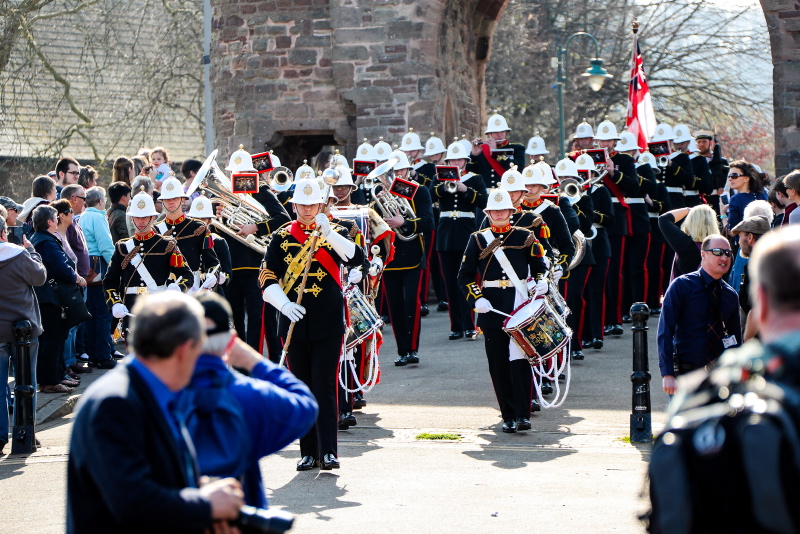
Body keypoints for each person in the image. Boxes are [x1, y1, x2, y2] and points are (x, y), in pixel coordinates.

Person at [66, 292, 245, 533]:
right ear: (184, 350)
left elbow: (155, 474)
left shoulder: (152, 391)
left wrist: (200, 491)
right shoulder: (115, 404)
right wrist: (205, 505)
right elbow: (131, 500)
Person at [260, 178, 364, 471]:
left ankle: (329, 450)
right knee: (301, 387)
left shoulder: (339, 231)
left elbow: (356, 258)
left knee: (325, 387)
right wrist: (283, 304)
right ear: (294, 206)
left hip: (328, 321)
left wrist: (329, 233)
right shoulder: (281, 236)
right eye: (302, 205)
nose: (307, 210)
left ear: (322, 204)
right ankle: (308, 452)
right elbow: (267, 276)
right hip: (293, 323)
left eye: (312, 204)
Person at [184, 292, 318, 506]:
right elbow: (305, 405)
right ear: (229, 342)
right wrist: (253, 360)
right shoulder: (249, 395)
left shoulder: (152, 395)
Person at [458, 188, 548, 433]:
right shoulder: (477, 239)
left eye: (503, 209)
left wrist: (542, 280)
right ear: (488, 213)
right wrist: (476, 299)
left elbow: (539, 266)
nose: (499, 214)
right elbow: (464, 276)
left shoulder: (526, 236)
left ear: (511, 211)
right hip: (491, 306)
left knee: (520, 361)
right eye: (494, 210)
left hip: (519, 305)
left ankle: (523, 414)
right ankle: (508, 415)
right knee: (498, 364)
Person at [103, 189, 193, 341]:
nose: (141, 221)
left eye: (145, 217)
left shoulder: (167, 245)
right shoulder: (122, 247)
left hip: (160, 311)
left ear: (153, 218)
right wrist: (115, 303)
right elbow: (110, 282)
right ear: (131, 219)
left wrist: (177, 288)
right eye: (137, 217)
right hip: (132, 312)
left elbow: (186, 275)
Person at [658, 234, 741, 395]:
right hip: (686, 375)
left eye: (728, 253)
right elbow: (665, 331)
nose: (724, 257)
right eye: (717, 252)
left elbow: (735, 340)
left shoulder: (730, 295)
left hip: (719, 379)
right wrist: (667, 373)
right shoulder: (682, 286)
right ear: (703, 254)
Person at [375, 151, 434, 366]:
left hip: (412, 254)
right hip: (390, 255)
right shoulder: (381, 193)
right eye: (394, 171)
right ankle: (402, 351)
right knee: (395, 305)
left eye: (401, 170)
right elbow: (376, 226)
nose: (398, 174)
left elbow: (428, 222)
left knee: (411, 303)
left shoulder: (420, 191)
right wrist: (377, 207)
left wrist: (405, 222)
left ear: (409, 170)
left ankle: (412, 349)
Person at [0, 214, 46, 453]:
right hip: (24, 329)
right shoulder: (18, 255)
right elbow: (39, 277)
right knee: (26, 382)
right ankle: (25, 433)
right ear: (4, 233)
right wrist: (32, 251)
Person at [432, 139, 487, 340]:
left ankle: (470, 324)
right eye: (452, 159)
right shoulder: (439, 178)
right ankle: (456, 325)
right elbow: (429, 195)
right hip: (446, 234)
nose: (455, 162)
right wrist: (444, 187)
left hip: (466, 232)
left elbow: (483, 201)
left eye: (459, 159)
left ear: (465, 161)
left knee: (468, 280)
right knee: (450, 283)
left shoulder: (475, 178)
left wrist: (465, 189)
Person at [30, 205, 87, 393]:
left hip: (51, 296)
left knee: (58, 337)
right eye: (55, 217)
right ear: (49, 221)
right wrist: (77, 278)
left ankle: (58, 374)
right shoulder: (45, 241)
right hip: (50, 297)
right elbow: (61, 266)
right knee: (53, 339)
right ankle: (50, 381)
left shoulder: (43, 239)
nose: (57, 220)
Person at [156, 177, 219, 292]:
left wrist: (212, 275)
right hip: (163, 290)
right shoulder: (155, 230)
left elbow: (212, 262)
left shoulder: (198, 227)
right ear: (162, 202)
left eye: (175, 198)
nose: (171, 202)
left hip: (192, 288)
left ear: (183, 200)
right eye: (167, 199)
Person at [79, 187, 117, 368]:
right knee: (103, 313)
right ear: (101, 201)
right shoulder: (98, 217)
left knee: (93, 313)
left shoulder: (83, 215)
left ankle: (94, 354)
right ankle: (103, 355)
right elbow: (106, 245)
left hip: (86, 268)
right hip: (100, 266)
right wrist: (116, 267)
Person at [730, 215, 771, 341]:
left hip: (763, 341)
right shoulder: (775, 261)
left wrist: (746, 344)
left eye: (740, 236)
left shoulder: (758, 265)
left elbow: (755, 310)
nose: (739, 241)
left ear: (750, 237)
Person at [658, 204, 718, 281]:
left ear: (690, 222)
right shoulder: (720, 246)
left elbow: (663, 219)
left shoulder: (685, 243)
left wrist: (688, 210)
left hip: (686, 290)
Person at [468, 112, 526, 188]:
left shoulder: (517, 148)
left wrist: (495, 152)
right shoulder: (482, 150)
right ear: (490, 134)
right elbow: (470, 173)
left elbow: (518, 169)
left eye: (502, 131)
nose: (500, 134)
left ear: (506, 132)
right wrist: (474, 155)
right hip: (487, 194)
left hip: (509, 192)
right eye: (496, 132)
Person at [721, 160, 767, 233]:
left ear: (747, 178)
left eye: (734, 176)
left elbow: (732, 232)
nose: (730, 179)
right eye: (729, 176)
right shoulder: (763, 194)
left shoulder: (736, 199)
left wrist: (723, 214)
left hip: (745, 242)